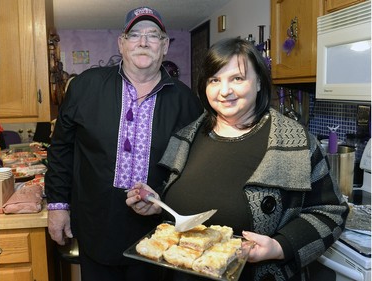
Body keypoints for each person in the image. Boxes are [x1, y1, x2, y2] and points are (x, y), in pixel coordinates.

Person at [126, 37, 349, 281]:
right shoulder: (185, 138)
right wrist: (157, 205)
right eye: (214, 80)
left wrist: (280, 247)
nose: (224, 91)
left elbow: (330, 212)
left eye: (237, 78)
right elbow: (177, 209)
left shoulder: (296, 142)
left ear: (259, 83)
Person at [45, 6, 203, 281]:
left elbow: (193, 169)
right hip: (95, 226)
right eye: (135, 34)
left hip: (157, 235)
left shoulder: (186, 101)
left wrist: (163, 198)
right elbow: (61, 149)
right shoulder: (85, 86)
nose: (143, 42)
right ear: (122, 42)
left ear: (164, 46)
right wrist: (58, 206)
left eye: (153, 35)